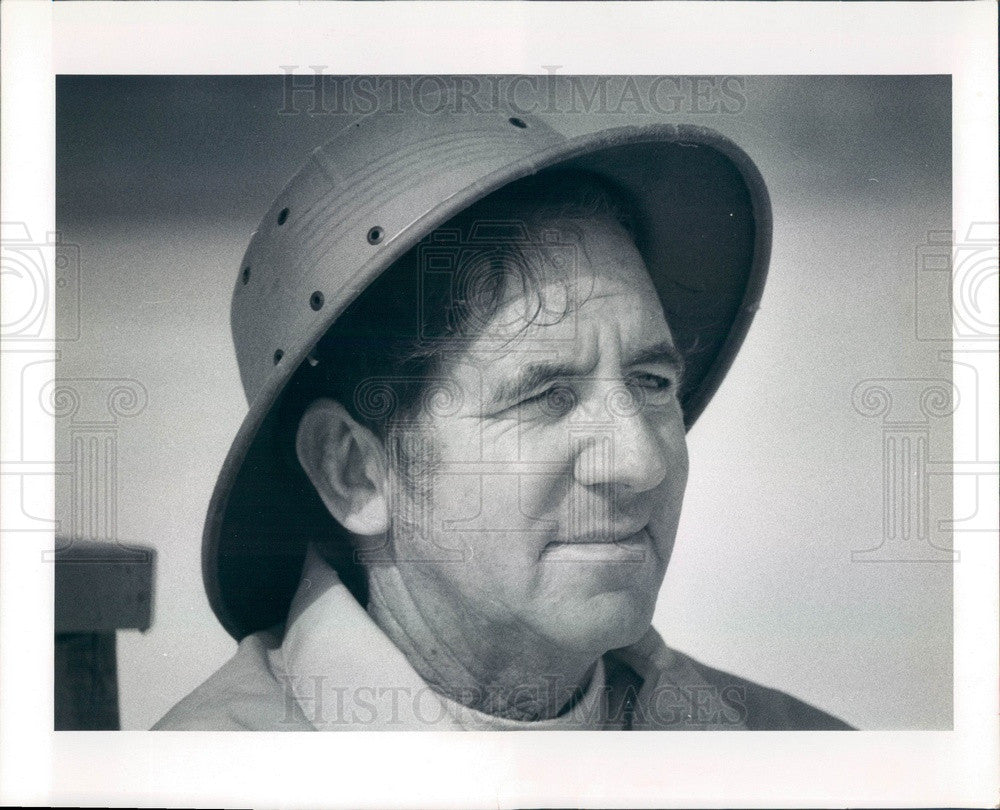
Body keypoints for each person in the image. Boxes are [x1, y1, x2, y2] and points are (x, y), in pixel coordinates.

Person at [154, 104, 851, 731]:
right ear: (355, 474)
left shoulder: (801, 763)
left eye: (652, 381)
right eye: (546, 395)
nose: (642, 462)